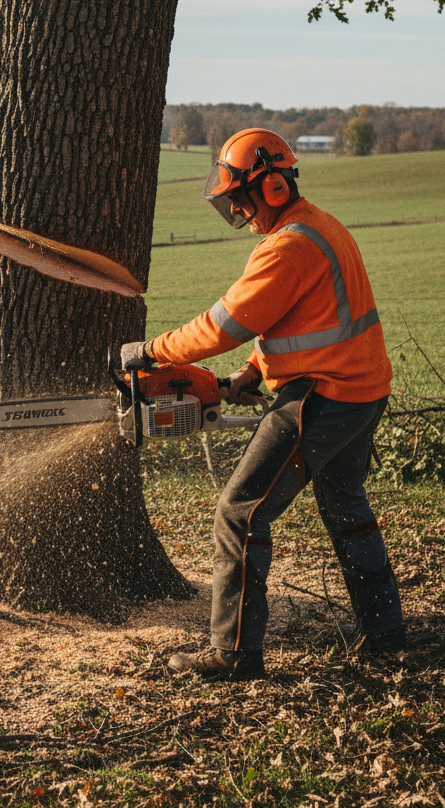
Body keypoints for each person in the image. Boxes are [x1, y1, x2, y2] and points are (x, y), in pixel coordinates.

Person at [121, 128, 404, 681]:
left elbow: (224, 325)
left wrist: (150, 352)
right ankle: (386, 631)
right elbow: (301, 319)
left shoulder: (288, 246)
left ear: (272, 186)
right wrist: (251, 373)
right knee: (346, 506)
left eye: (239, 198)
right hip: (364, 390)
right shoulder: (319, 227)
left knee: (241, 511)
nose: (236, 210)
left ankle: (234, 653)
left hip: (324, 395)